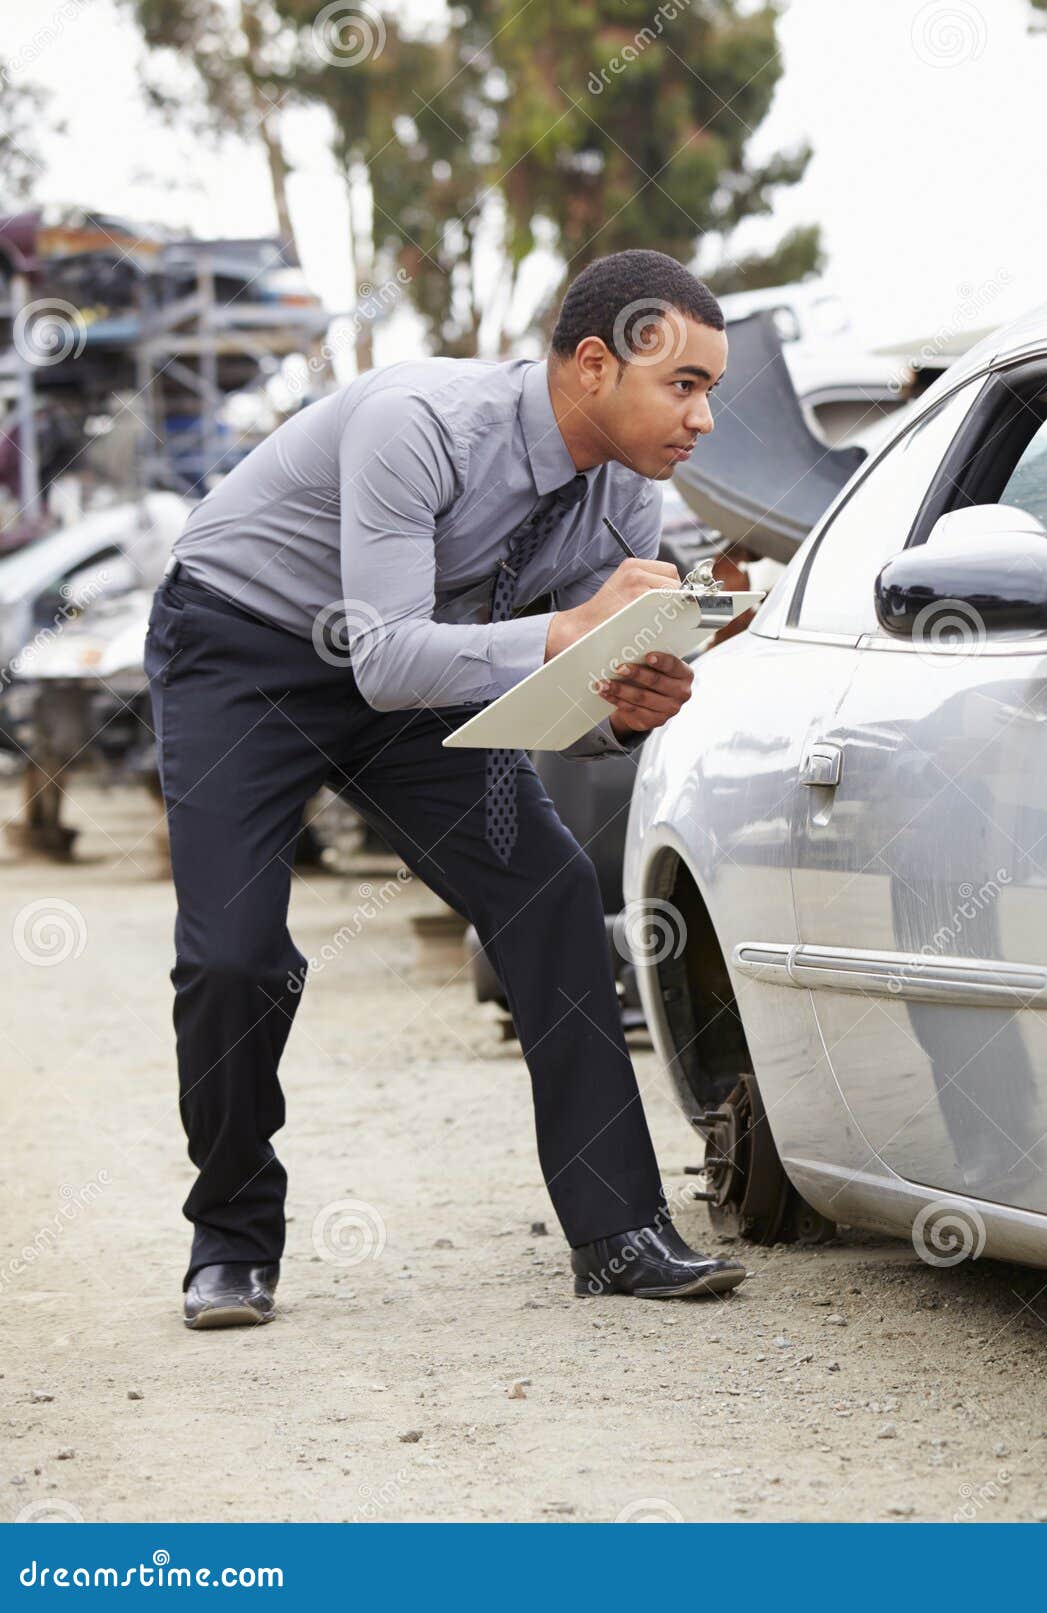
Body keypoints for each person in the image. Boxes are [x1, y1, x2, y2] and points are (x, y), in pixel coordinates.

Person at [146, 249, 747, 1328]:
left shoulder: (626, 501)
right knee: (234, 954)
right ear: (596, 365)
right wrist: (570, 630)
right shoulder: (416, 416)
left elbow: (548, 690)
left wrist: (624, 703)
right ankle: (231, 1237)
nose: (703, 418)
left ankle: (617, 1231)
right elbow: (384, 659)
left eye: (711, 389)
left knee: (551, 890)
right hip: (248, 647)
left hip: (425, 672)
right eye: (687, 385)